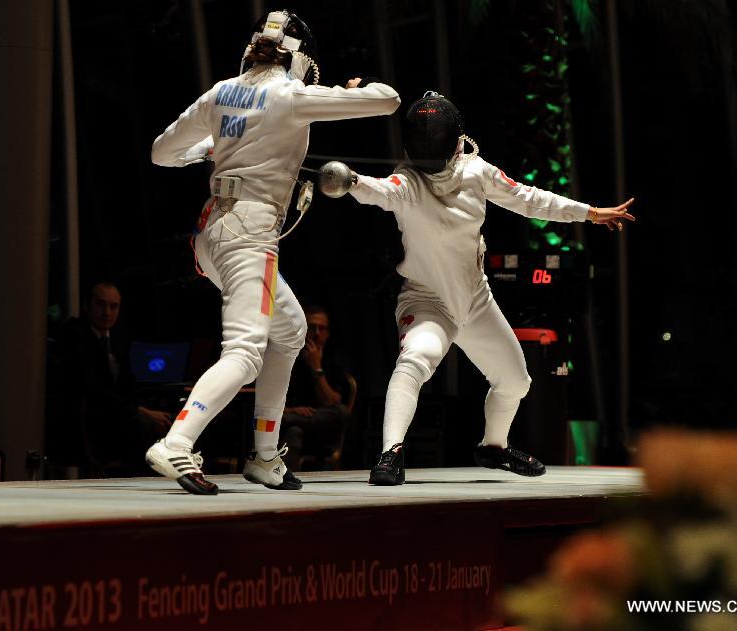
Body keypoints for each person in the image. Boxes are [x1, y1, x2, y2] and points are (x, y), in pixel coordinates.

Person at [145, 10, 400, 494]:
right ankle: (176, 442)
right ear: (299, 56)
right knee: (244, 350)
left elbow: (161, 152)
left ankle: (265, 455)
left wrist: (209, 149)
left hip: (211, 233)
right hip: (249, 233)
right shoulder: (289, 94)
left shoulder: (221, 92)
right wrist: (351, 90)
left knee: (290, 331)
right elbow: (387, 100)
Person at [339, 91, 635, 485]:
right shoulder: (406, 181)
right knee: (416, 360)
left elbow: (528, 199)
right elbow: (378, 190)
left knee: (516, 380)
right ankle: (389, 455)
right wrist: (352, 181)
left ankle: (493, 447)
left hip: (475, 300)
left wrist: (589, 213)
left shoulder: (476, 172)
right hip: (428, 301)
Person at [56, 282, 172, 475]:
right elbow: (92, 388)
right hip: (92, 418)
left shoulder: (117, 338)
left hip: (118, 411)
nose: (107, 312)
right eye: (101, 305)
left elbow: (129, 383)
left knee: (170, 419)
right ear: (87, 306)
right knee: (140, 428)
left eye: (113, 306)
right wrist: (142, 412)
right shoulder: (75, 333)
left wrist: (148, 410)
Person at [281, 306, 352, 471]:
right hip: (290, 426)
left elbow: (332, 402)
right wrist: (291, 410)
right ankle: (284, 480)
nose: (317, 333)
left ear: (327, 333)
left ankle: (288, 419)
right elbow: (270, 399)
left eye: (322, 328)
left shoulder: (333, 360)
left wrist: (317, 369)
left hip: (321, 428)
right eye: (312, 328)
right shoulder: (287, 357)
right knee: (294, 431)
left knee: (341, 412)